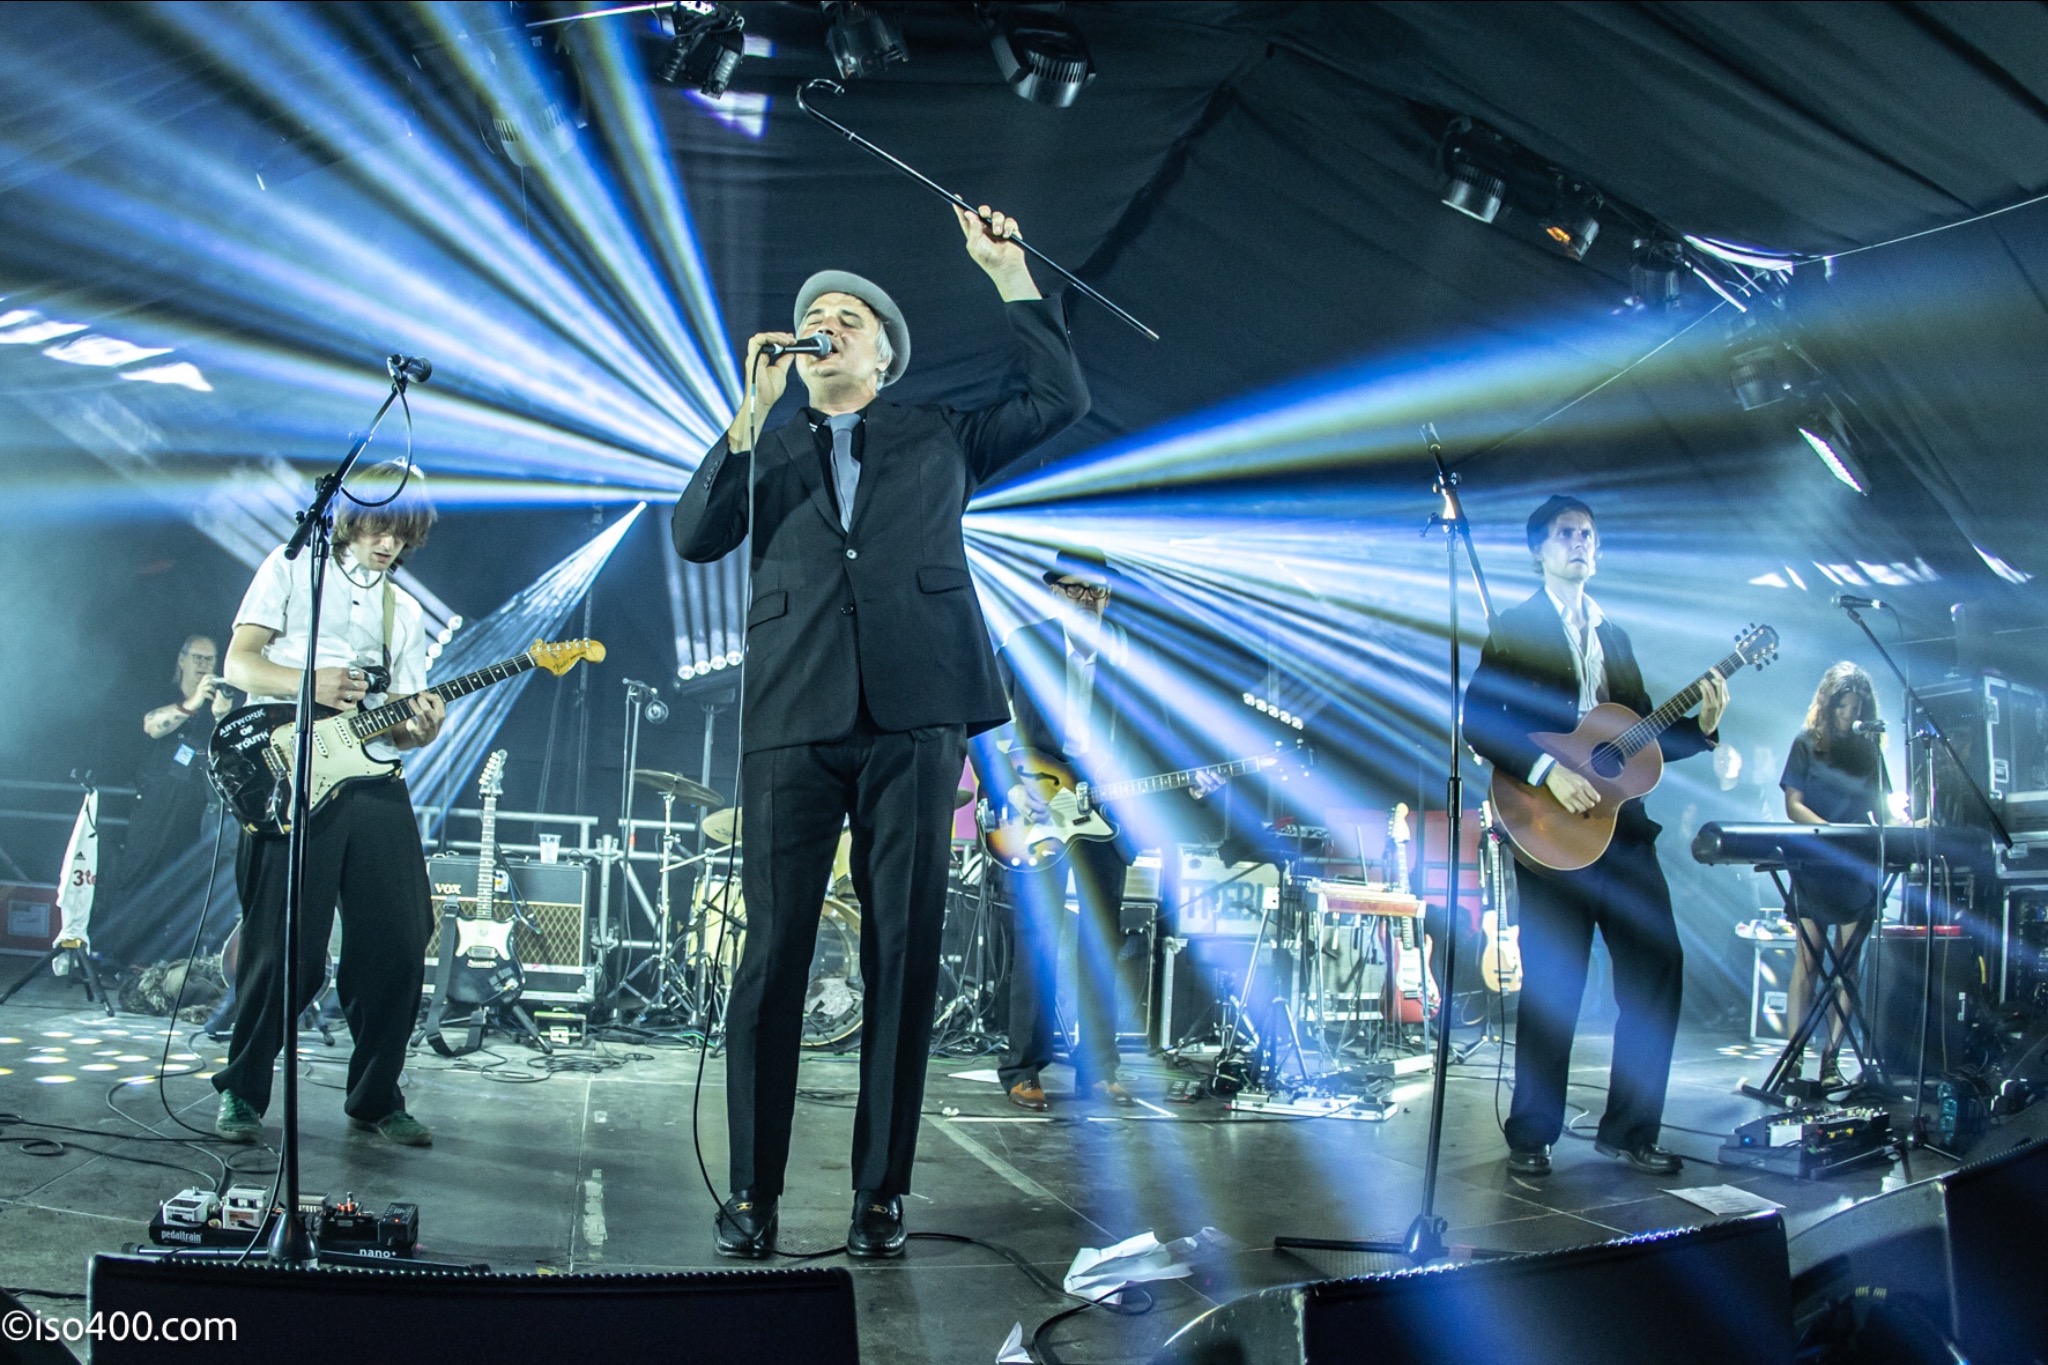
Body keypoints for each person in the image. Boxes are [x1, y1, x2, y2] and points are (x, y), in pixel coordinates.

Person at [672, 204, 1088, 1258]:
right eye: (815, 313)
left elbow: (1059, 398)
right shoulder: (770, 447)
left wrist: (1008, 274)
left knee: (903, 951)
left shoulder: (939, 432)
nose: (825, 322)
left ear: (883, 356)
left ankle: (879, 1194)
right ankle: (754, 1191)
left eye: (848, 316)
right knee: (773, 952)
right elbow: (695, 534)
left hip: (918, 710)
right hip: (792, 714)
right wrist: (748, 412)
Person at [1464, 496, 1728, 1177]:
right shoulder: (1516, 628)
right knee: (1555, 985)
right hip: (1547, 829)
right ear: (1540, 550)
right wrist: (1547, 769)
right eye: (1565, 533)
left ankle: (1631, 1129)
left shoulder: (1617, 638)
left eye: (1587, 533)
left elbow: (1638, 741)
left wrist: (1700, 728)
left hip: (1623, 831)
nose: (1579, 541)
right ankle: (1532, 1133)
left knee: (1658, 967)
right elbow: (1479, 722)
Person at [211, 463, 446, 1148]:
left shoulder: (405, 611)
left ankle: (376, 1096)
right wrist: (306, 680)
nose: (389, 545)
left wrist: (422, 728)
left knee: (400, 940)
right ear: (352, 518)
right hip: (290, 772)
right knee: (283, 946)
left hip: (371, 777)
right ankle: (244, 1089)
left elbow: (400, 720)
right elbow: (239, 663)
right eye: (380, 529)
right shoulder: (290, 569)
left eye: (402, 536)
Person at [987, 550, 1217, 1114]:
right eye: (1075, 590)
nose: (1088, 601)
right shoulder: (1023, 648)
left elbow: (1156, 732)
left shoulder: (1130, 657)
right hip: (1039, 808)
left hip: (1105, 816)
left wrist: (1192, 774)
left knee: (1102, 942)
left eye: (1097, 591)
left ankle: (1098, 1069)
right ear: (1055, 592)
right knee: (1038, 939)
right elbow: (985, 728)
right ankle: (1023, 1068)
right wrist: (1012, 789)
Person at [91, 636, 236, 966]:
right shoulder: (165, 695)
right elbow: (152, 726)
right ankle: (116, 955)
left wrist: (222, 717)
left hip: (199, 812)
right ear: (182, 659)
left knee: (186, 886)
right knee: (140, 877)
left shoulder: (217, 705)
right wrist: (192, 703)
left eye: (210, 659)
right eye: (198, 657)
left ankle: (173, 962)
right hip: (157, 806)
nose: (204, 665)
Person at [1780, 662, 1889, 1089]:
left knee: (1848, 966)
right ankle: (1793, 1058)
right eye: (1842, 706)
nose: (1848, 714)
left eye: (1856, 707)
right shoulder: (1807, 742)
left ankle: (1831, 1061)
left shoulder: (1868, 750)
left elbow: (1881, 808)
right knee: (1808, 960)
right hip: (1816, 859)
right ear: (1828, 704)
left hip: (1856, 865)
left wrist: (1903, 826)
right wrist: (1828, 832)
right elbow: (1794, 805)